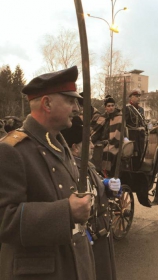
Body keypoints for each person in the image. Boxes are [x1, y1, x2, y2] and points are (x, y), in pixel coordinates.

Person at [0, 66, 96, 280]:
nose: (77, 108)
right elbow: (4, 220)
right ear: (47, 103)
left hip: (72, 264)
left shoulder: (58, 143)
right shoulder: (10, 150)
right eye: (70, 101)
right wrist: (66, 212)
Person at [61, 116, 119, 280]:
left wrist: (106, 186)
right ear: (75, 148)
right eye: (88, 143)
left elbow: (95, 188)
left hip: (102, 238)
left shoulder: (87, 166)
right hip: (89, 240)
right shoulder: (72, 171)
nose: (93, 146)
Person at [91, 95, 123, 177]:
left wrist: (108, 142)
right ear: (105, 107)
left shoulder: (119, 117)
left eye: (112, 105)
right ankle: (94, 172)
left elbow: (117, 135)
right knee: (91, 150)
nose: (111, 108)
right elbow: (96, 131)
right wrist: (90, 140)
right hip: (102, 141)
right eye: (108, 106)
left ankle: (106, 174)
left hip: (114, 143)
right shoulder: (103, 117)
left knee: (107, 152)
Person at [125, 88, 147, 170]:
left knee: (140, 155)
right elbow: (124, 124)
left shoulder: (141, 110)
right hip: (132, 137)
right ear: (131, 97)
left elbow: (142, 122)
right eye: (136, 96)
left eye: (139, 96)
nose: (138, 98)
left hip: (140, 137)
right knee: (134, 157)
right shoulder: (127, 108)